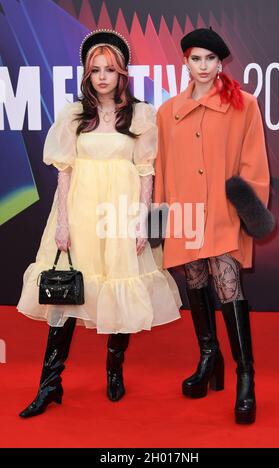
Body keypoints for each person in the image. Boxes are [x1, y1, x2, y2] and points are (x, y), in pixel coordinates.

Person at [17, 29, 182, 418]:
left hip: (121, 214)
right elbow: (65, 172)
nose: (103, 76)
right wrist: (62, 222)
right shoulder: (74, 115)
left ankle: (114, 370)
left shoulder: (140, 115)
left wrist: (142, 221)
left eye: (110, 69)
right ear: (87, 75)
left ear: (122, 72)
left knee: (118, 285)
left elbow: (146, 172)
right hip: (80, 212)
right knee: (64, 296)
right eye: (96, 70)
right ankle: (49, 384)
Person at [153, 27, 272, 424]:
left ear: (221, 63)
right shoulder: (166, 112)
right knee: (197, 283)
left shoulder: (245, 105)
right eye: (195, 58)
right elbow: (162, 170)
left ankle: (245, 375)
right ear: (185, 62)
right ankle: (209, 359)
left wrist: (247, 215)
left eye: (210, 59)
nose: (203, 66)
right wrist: (160, 221)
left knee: (228, 284)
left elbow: (254, 164)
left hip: (223, 213)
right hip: (185, 216)